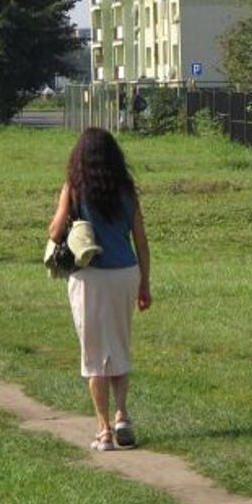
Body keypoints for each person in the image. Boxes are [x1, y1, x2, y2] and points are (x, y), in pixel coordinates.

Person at [47, 127, 151, 451]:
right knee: (119, 347)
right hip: (125, 273)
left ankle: (104, 430)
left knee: (94, 356)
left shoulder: (75, 189)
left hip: (89, 276)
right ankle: (122, 416)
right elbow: (141, 240)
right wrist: (144, 283)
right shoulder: (127, 189)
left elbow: (54, 232)